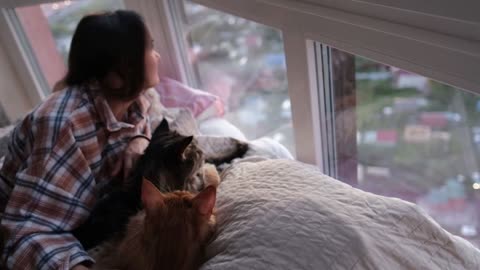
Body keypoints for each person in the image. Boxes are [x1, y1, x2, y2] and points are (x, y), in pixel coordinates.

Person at [0, 10, 161, 269]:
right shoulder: (64, 127)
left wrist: (139, 139)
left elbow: (144, 116)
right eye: (150, 48)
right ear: (117, 74)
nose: (157, 56)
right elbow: (24, 234)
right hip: (33, 216)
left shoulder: (131, 98)